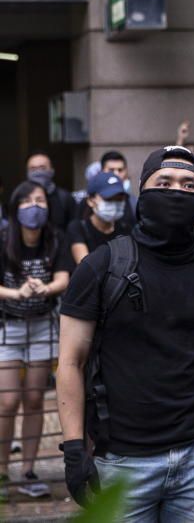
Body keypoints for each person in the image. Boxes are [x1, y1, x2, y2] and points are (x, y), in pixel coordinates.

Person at [56, 146, 194, 520]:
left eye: (188, 184)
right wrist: (72, 448)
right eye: (164, 182)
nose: (176, 191)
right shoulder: (101, 267)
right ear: (143, 192)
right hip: (121, 464)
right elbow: (70, 361)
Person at [0, 181, 72, 500]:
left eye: (40, 200)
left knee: (33, 399)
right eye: (27, 201)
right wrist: (16, 292)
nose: (34, 206)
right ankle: (2, 472)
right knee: (7, 401)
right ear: (15, 207)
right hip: (8, 327)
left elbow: (63, 277)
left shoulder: (56, 238)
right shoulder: (3, 238)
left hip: (43, 326)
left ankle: (28, 471)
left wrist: (46, 288)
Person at [68, 172, 131, 264]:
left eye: (119, 199)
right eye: (108, 199)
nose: (114, 204)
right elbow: (86, 267)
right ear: (90, 201)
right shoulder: (78, 228)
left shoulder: (127, 229)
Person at [25, 151, 75, 232]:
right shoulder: (21, 198)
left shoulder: (65, 198)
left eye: (42, 168)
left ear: (52, 171)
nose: (38, 172)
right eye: (33, 169)